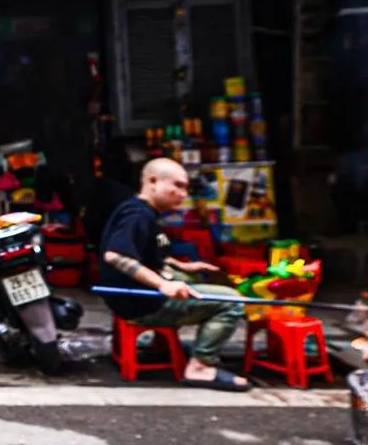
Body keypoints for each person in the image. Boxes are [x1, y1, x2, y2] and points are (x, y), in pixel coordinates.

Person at [98, 158, 252, 391]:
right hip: (141, 303)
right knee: (232, 302)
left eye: (185, 188)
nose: (183, 194)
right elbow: (116, 255)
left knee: (190, 280)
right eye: (177, 186)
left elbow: (147, 254)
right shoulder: (137, 215)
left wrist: (183, 267)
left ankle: (164, 346)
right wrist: (163, 285)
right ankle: (201, 367)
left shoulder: (144, 212)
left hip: (137, 298)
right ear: (152, 182)